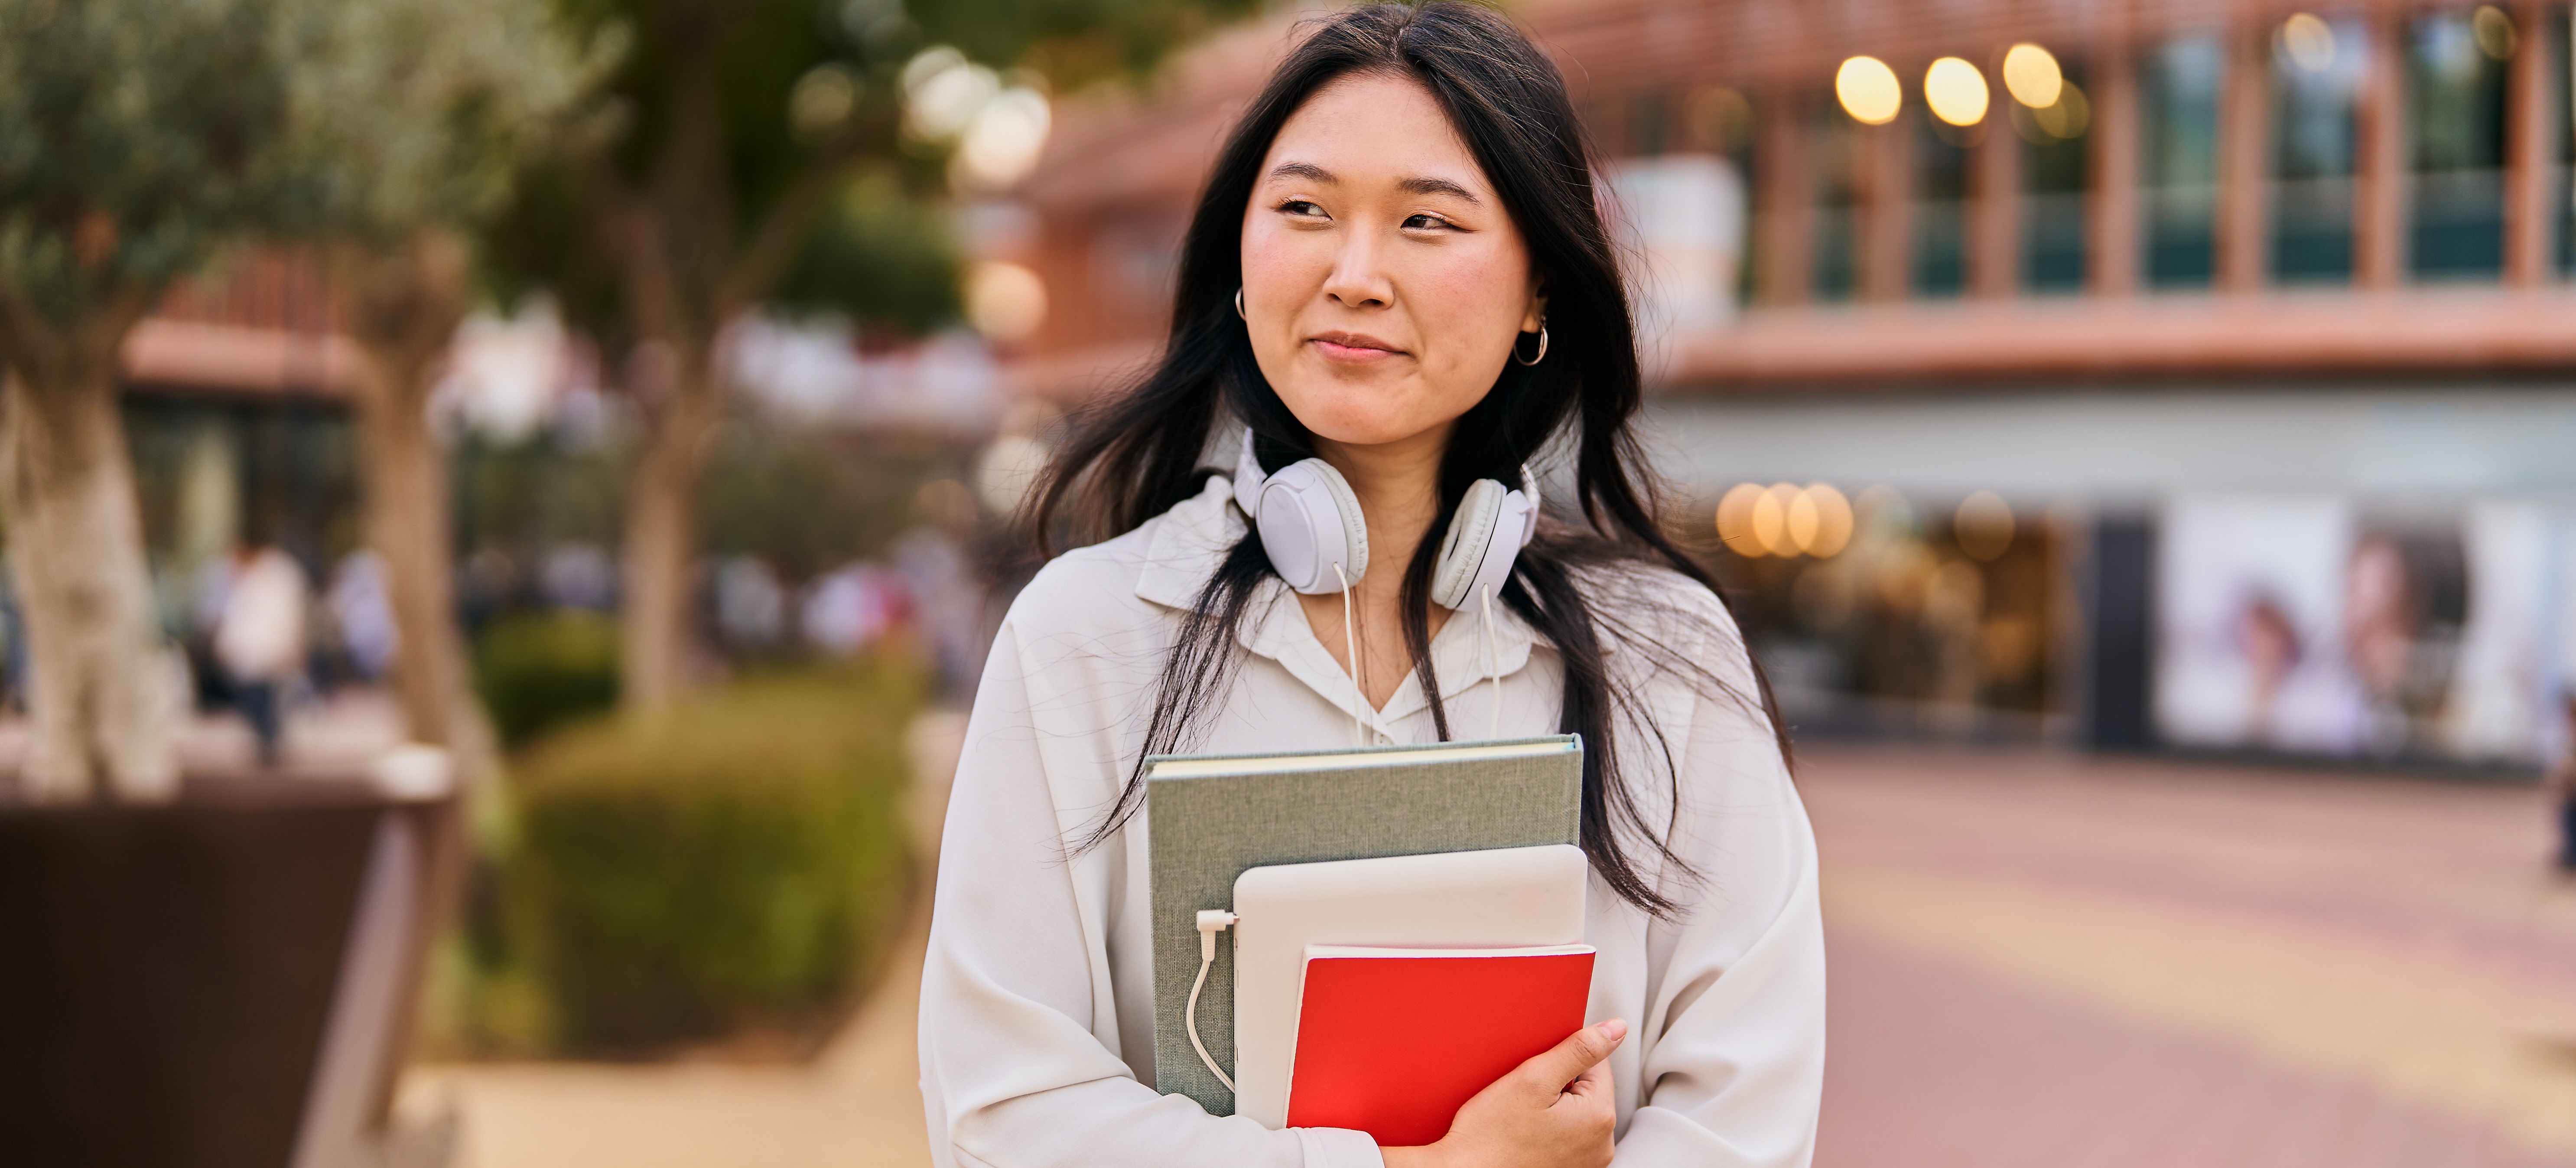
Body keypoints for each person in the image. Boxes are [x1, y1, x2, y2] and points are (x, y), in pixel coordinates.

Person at [916, 7, 1823, 1168]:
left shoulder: (1667, 657)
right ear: (1239, 262)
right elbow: (1004, 1113)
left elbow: (1744, 1113)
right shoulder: (1086, 637)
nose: (1354, 274)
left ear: (1540, 289)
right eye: (1303, 211)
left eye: (1426, 222)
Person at [215, 541, 309, 768]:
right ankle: (268, 745)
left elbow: (277, 619)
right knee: (261, 704)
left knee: (267, 703)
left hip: (265, 654)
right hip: (255, 655)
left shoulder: (274, 578)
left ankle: (270, 745)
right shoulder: (256, 580)